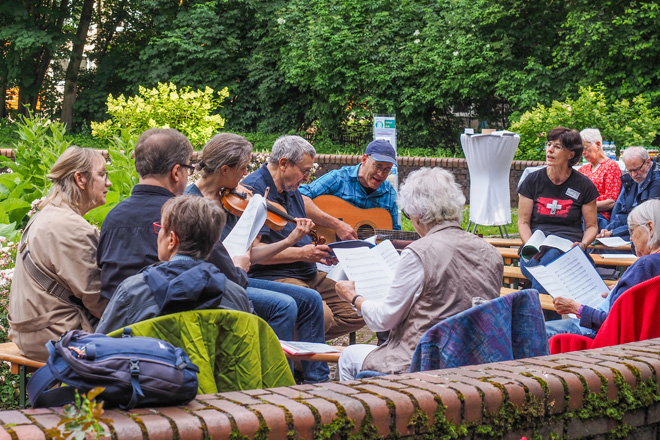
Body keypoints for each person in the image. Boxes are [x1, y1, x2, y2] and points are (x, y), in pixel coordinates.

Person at [96, 129, 304, 374]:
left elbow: (106, 279)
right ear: (176, 172)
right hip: (184, 348)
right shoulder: (187, 215)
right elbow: (233, 283)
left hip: (124, 340)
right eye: (187, 167)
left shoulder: (112, 218)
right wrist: (238, 266)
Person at [185, 132, 329, 383]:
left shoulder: (230, 198)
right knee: (284, 305)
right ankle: (276, 380)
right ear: (225, 169)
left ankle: (317, 381)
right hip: (215, 283)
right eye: (242, 169)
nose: (245, 176)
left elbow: (252, 253)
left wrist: (288, 240)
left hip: (236, 277)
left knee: (311, 299)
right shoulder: (191, 203)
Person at [335, 167, 503, 380]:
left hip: (425, 360)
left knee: (349, 356)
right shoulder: (490, 251)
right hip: (474, 358)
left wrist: (354, 297)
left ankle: (366, 412)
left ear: (418, 213)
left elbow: (384, 320)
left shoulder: (419, 252)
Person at [235, 135, 364, 340]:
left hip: (309, 273)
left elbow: (305, 204)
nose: (307, 178)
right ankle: (296, 357)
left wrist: (320, 250)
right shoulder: (255, 191)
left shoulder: (289, 187)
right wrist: (303, 253)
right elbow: (252, 254)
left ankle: (299, 346)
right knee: (322, 316)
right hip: (275, 276)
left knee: (361, 307)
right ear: (284, 164)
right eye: (305, 171)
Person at [9, 147, 111, 361]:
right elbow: (97, 298)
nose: (108, 183)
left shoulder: (45, 215)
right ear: (80, 179)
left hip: (29, 333)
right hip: (56, 337)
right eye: (102, 175)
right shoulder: (70, 227)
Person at [96, 196, 250, 334]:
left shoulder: (132, 291)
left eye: (160, 229)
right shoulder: (235, 296)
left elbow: (101, 345)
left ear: (171, 240)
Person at [546, 199, 660, 338]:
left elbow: (613, 324)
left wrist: (576, 308)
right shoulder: (651, 265)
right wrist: (618, 292)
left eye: (632, 230)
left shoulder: (645, 265)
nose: (631, 238)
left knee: (532, 333)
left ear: (650, 228)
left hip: (595, 334)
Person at [518, 127, 599, 296]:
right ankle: (545, 317)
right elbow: (523, 222)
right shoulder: (532, 181)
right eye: (549, 144)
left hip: (568, 249)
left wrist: (583, 245)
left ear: (571, 154)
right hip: (534, 250)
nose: (549, 150)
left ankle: (538, 313)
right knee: (547, 264)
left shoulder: (584, 186)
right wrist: (530, 245)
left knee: (552, 258)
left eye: (557, 146)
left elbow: (592, 226)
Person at [299, 139, 400, 240]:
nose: (381, 174)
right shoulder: (338, 179)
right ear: (364, 159)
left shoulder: (389, 193)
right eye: (378, 166)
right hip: (329, 248)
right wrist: (337, 225)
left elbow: (395, 234)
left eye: (387, 170)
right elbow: (300, 197)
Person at [598, 147, 660, 241]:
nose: (633, 174)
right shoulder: (634, 179)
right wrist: (608, 229)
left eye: (636, 169)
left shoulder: (657, 181)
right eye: (629, 170)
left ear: (647, 162)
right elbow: (625, 212)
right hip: (633, 229)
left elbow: (646, 219)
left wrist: (613, 232)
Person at [577, 128, 622, 230]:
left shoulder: (611, 166)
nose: (583, 153)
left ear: (598, 144)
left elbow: (611, 202)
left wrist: (584, 207)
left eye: (586, 148)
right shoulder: (583, 169)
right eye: (581, 149)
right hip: (580, 214)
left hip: (598, 217)